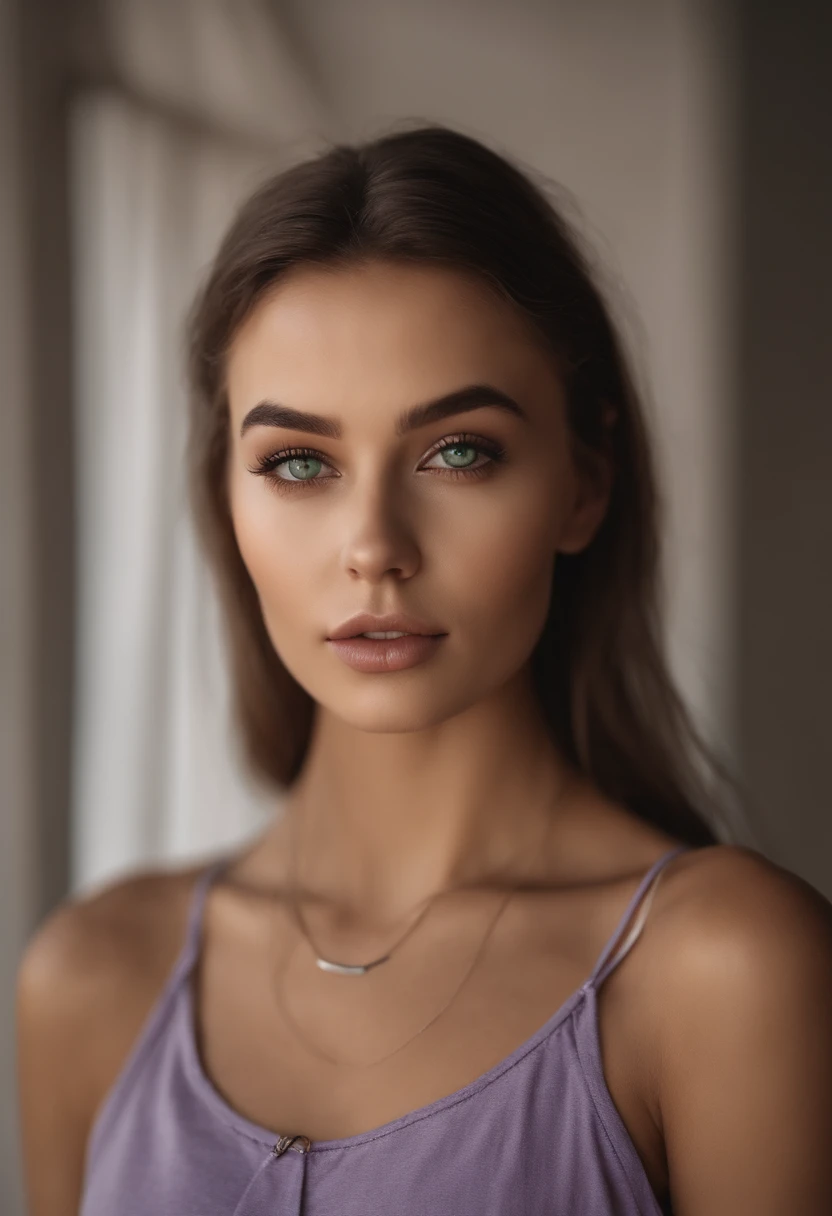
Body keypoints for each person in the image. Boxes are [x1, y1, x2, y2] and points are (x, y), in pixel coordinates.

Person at [16, 123, 832, 1216]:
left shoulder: (723, 970)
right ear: (226, 496)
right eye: (298, 462)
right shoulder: (93, 977)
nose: (374, 545)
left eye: (459, 452)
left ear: (583, 481)